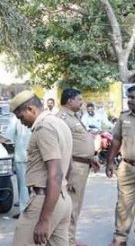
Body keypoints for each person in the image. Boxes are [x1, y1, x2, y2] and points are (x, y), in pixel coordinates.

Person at [10, 90, 72, 246]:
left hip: (45, 200)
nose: (21, 122)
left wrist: (44, 219)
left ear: (31, 109)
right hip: (61, 197)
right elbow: (67, 164)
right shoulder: (59, 122)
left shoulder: (44, 128)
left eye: (21, 117)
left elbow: (56, 173)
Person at [57, 89, 99, 246]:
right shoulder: (62, 118)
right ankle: (67, 241)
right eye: (79, 99)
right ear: (70, 101)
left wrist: (91, 158)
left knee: (76, 205)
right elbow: (62, 147)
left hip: (82, 165)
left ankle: (71, 239)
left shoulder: (74, 117)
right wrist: (66, 175)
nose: (82, 103)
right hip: (73, 167)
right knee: (71, 206)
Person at [106, 85, 135, 246]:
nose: (129, 101)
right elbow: (116, 140)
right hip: (127, 167)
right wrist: (110, 161)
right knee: (123, 203)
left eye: (133, 98)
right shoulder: (124, 117)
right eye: (128, 97)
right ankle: (120, 237)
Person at [1, 114, 31, 219]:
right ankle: (33, 211)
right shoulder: (35, 116)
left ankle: (24, 211)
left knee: (23, 185)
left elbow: (7, 136)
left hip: (22, 156)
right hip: (34, 156)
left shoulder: (16, 118)